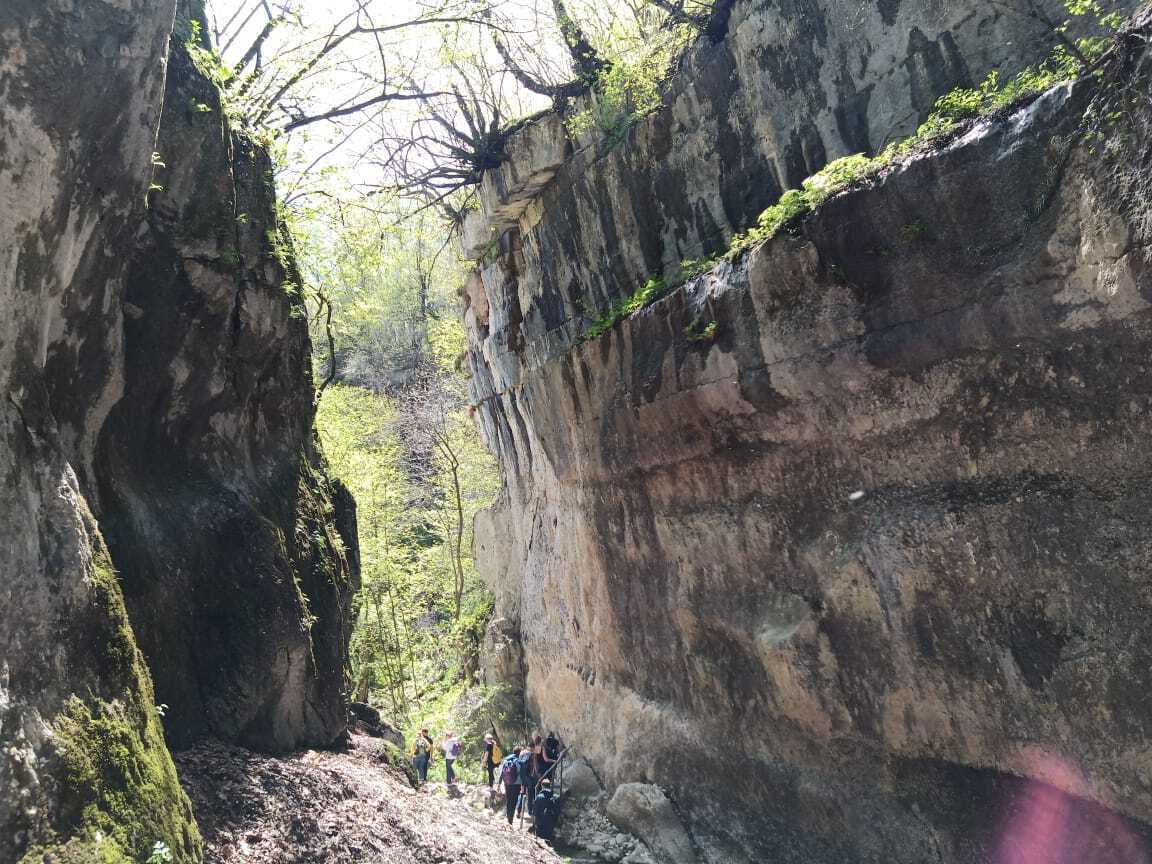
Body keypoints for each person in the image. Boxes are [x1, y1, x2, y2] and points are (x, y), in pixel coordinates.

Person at [500, 747, 523, 826]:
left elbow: (502, 772)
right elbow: (520, 772)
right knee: (514, 801)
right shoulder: (518, 761)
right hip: (516, 784)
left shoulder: (506, 760)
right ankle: (510, 820)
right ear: (519, 753)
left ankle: (508, 817)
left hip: (507, 783)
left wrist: (499, 783)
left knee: (508, 800)